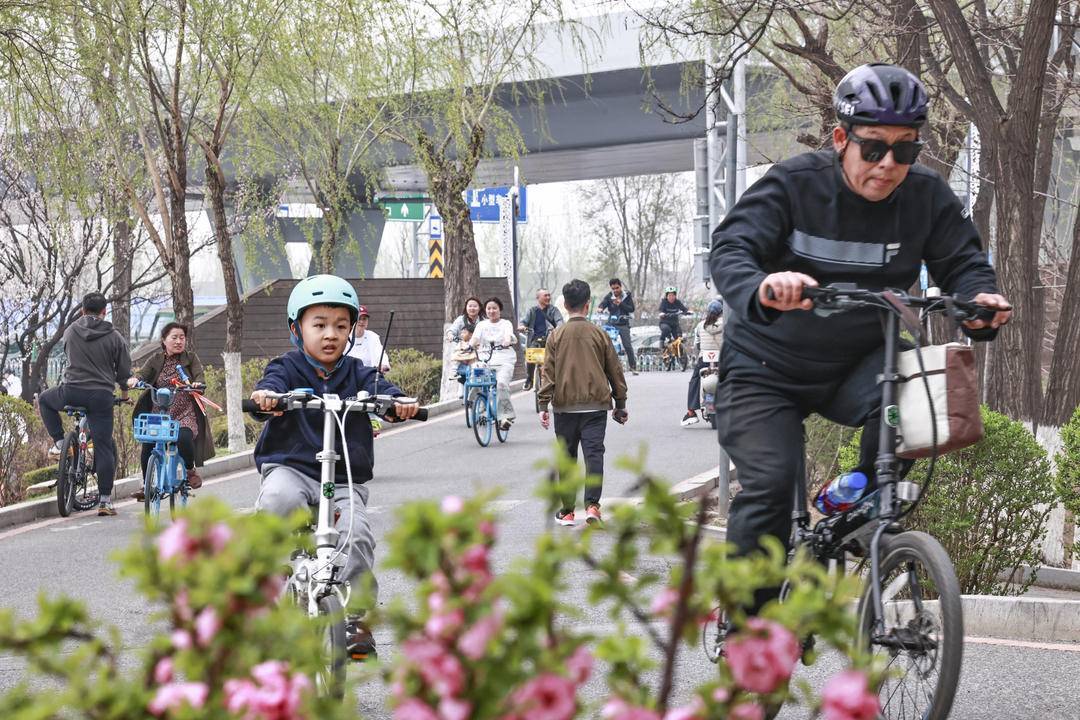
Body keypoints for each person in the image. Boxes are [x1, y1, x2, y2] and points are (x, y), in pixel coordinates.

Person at [709, 63, 1011, 609]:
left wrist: (980, 301)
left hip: (858, 364)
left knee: (919, 401)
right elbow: (732, 249)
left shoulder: (925, 196)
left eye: (905, 150)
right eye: (873, 148)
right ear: (840, 139)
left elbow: (964, 263)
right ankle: (749, 627)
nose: (888, 164)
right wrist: (762, 286)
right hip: (764, 369)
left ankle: (851, 509)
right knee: (771, 483)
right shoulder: (794, 184)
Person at [248, 274, 418, 660]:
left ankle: (355, 619)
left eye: (342, 326)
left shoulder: (358, 372)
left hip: (342, 478)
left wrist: (399, 403)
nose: (331, 335)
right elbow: (269, 385)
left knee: (357, 534)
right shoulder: (287, 367)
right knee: (277, 500)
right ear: (297, 329)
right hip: (292, 468)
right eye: (319, 325)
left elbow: (383, 391)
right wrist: (266, 397)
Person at [538, 279, 628, 526]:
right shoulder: (600, 334)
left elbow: (548, 373)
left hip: (564, 408)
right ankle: (592, 507)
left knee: (567, 458)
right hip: (596, 407)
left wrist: (543, 405)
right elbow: (615, 370)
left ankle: (568, 511)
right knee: (594, 455)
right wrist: (620, 403)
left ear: (566, 305)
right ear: (588, 304)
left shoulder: (555, 336)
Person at [38, 292, 131, 517]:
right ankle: (105, 501)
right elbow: (123, 370)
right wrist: (124, 393)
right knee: (103, 446)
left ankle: (61, 443)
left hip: (72, 392)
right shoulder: (114, 336)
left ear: (82, 310)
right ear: (104, 312)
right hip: (101, 396)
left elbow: (69, 355)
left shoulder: (70, 331)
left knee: (45, 400)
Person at [128, 322, 215, 500]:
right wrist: (135, 380)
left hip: (185, 411)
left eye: (182, 337)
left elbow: (199, 376)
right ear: (164, 340)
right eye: (174, 337)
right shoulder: (155, 359)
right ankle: (146, 485)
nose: (178, 341)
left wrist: (197, 383)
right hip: (159, 412)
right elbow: (142, 374)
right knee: (148, 443)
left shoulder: (191, 358)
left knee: (183, 437)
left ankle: (190, 470)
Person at [469, 297, 517, 431]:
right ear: (485, 310)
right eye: (489, 308)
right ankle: (476, 402)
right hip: (485, 360)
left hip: (504, 360)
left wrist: (507, 341)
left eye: (494, 308)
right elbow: (475, 338)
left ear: (500, 309)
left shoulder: (505, 323)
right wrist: (469, 345)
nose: (491, 311)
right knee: (475, 378)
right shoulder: (481, 325)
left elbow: (508, 335)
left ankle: (506, 417)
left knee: (501, 384)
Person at [682, 299, 725, 427]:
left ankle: (691, 411)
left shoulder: (700, 325)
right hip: (721, 360)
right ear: (721, 312)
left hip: (704, 360)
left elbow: (697, 345)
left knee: (695, 379)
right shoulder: (726, 324)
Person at [518, 288, 564, 391]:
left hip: (550, 341)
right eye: (545, 296)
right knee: (530, 358)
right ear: (538, 298)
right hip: (535, 341)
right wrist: (522, 327)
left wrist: (558, 328)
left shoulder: (554, 310)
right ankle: (529, 379)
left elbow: (559, 321)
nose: (548, 297)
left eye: (549, 295)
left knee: (556, 360)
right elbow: (523, 322)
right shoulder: (532, 311)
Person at [597, 278, 638, 375]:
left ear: (620, 286)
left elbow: (631, 309)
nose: (615, 290)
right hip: (612, 324)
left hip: (623, 324)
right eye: (613, 288)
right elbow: (602, 304)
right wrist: (600, 308)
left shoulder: (627, 296)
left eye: (617, 288)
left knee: (627, 345)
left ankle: (633, 367)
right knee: (606, 345)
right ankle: (605, 367)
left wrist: (621, 303)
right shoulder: (609, 296)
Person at [346, 305, 391, 373]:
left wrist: (384, 364)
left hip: (369, 375)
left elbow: (380, 353)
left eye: (364, 319)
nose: (361, 321)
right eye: (359, 319)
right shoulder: (345, 337)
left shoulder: (373, 337)